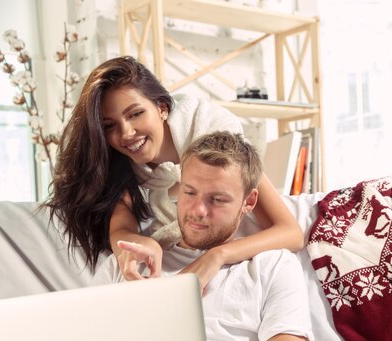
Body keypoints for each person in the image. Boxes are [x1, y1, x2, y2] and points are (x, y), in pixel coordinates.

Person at [92, 131, 312, 341]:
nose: (197, 210)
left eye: (217, 200)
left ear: (249, 201)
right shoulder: (128, 264)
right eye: (190, 192)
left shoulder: (273, 267)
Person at [45, 55, 304, 285]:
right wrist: (140, 244)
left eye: (135, 114)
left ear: (162, 107)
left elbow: (290, 232)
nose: (126, 133)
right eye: (109, 125)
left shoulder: (213, 133)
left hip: (241, 251)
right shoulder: (117, 161)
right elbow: (121, 229)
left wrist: (217, 256)